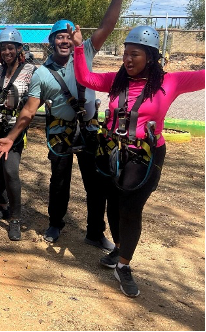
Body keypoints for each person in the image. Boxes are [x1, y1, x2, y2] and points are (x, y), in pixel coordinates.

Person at [0, 0, 131, 248]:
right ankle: (56, 223)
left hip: (90, 129)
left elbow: (107, 26)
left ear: (74, 39)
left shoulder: (86, 52)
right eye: (59, 36)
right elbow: (29, 111)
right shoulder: (41, 74)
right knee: (59, 182)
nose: (65, 40)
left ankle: (95, 232)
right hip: (60, 131)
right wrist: (10, 138)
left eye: (69, 35)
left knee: (96, 184)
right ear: (52, 42)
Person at [70, 24, 205, 297]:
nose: (128, 60)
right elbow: (84, 77)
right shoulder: (115, 81)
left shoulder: (171, 82)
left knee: (131, 208)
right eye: (125, 54)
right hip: (112, 151)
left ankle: (124, 265)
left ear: (151, 57)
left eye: (135, 54)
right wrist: (77, 47)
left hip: (146, 155)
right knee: (114, 203)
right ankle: (120, 247)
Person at [0, 28, 36, 240]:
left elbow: (34, 100)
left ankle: (15, 219)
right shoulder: (1, 71)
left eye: (10, 48)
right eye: (3, 48)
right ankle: (2, 206)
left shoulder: (31, 70)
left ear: (19, 49)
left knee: (11, 170)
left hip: (15, 130)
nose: (6, 52)